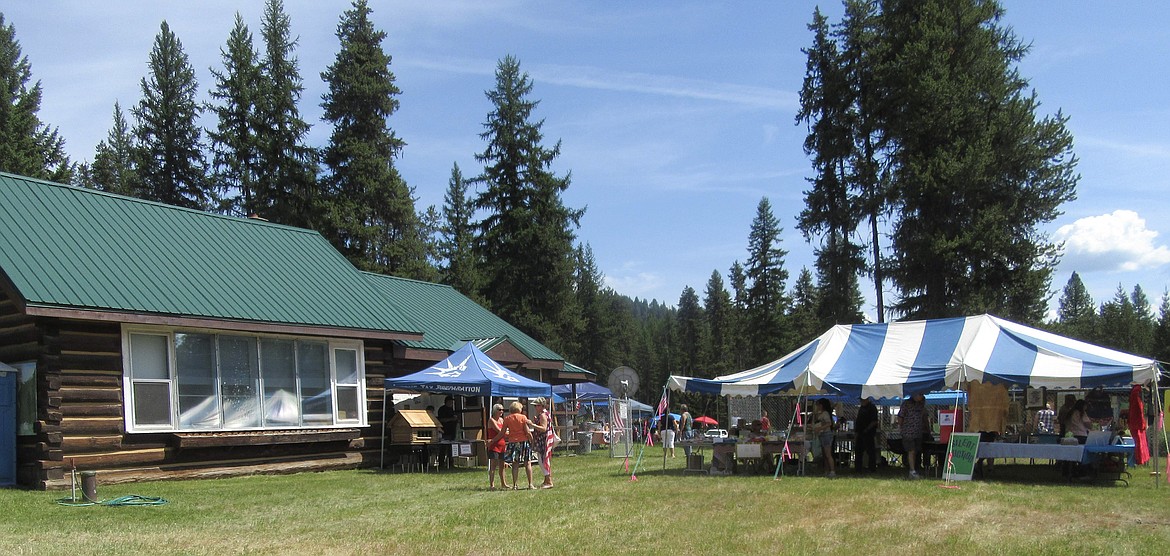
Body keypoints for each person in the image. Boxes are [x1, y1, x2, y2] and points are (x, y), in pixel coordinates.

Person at [488, 401, 536, 490]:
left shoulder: (506, 418)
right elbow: (527, 431)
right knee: (527, 463)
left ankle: (514, 485)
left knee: (515, 464)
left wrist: (493, 439)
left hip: (512, 442)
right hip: (523, 442)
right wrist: (532, 440)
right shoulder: (523, 417)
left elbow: (501, 433)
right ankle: (530, 484)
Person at [897, 392, 929, 479]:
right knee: (911, 451)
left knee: (917, 451)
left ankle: (917, 469)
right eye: (920, 394)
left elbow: (924, 416)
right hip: (908, 432)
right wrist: (902, 427)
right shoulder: (906, 404)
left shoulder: (921, 404)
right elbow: (900, 417)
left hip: (918, 433)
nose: (922, 397)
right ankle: (912, 470)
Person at [529, 398, 555, 489]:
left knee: (543, 460)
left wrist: (533, 424)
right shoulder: (545, 413)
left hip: (543, 440)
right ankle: (546, 480)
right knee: (544, 459)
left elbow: (543, 428)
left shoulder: (543, 415)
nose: (535, 407)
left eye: (537, 405)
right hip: (544, 439)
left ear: (541, 406)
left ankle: (549, 481)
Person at [486, 404, 510, 490]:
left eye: (502, 410)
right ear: (495, 410)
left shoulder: (502, 420)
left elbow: (505, 430)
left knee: (502, 465)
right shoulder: (491, 420)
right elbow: (500, 431)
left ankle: (503, 483)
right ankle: (492, 485)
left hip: (502, 444)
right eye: (499, 410)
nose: (501, 411)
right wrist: (507, 432)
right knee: (493, 465)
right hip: (494, 445)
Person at [854, 397, 879, 473]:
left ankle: (872, 468)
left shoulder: (872, 407)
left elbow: (874, 421)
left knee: (870, 451)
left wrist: (867, 429)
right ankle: (858, 468)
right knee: (858, 451)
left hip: (868, 433)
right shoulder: (861, 408)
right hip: (860, 432)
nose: (861, 401)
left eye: (862, 400)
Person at [812, 398, 837, 478]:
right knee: (824, 454)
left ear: (821, 405)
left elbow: (829, 423)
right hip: (822, 435)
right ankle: (826, 471)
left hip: (826, 434)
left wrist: (820, 428)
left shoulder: (826, 413)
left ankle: (832, 471)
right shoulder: (820, 413)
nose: (817, 406)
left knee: (828, 454)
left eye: (818, 405)